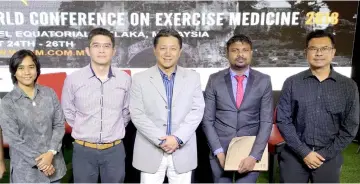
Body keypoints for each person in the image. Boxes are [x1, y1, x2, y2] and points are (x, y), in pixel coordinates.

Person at [276, 30, 359, 183]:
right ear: (306, 52)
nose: (319, 53)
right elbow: (283, 120)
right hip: (295, 152)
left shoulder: (348, 86)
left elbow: (350, 126)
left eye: (324, 48)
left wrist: (326, 154)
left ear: (333, 52)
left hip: (328, 155)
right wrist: (304, 152)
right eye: (313, 49)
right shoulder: (292, 82)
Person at [129, 28, 205, 184]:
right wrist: (161, 140)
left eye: (173, 48)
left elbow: (197, 110)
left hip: (182, 150)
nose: (168, 53)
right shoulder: (139, 79)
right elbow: (137, 114)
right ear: (155, 50)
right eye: (163, 48)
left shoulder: (193, 77)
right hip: (150, 150)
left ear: (180, 51)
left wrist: (177, 138)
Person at [61, 27, 131, 183]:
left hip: (114, 150)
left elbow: (126, 112)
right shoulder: (73, 79)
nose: (101, 50)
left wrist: (113, 129)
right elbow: (68, 112)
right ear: (88, 50)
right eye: (96, 45)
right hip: (83, 150)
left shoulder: (125, 79)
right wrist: (84, 128)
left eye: (106, 46)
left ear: (113, 51)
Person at [202, 34, 273, 183]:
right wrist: (218, 152)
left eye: (245, 50)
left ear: (251, 53)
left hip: (250, 151)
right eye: (235, 50)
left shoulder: (264, 80)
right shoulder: (214, 80)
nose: (240, 54)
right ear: (227, 53)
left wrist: (254, 156)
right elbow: (208, 120)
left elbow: (266, 122)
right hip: (220, 151)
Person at [0, 49, 66, 183]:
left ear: (37, 69)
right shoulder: (7, 103)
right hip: (26, 174)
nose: (27, 72)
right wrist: (43, 163)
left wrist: (51, 153)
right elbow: (15, 140)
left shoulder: (49, 93)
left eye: (31, 67)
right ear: (14, 71)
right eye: (21, 68)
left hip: (54, 168)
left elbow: (59, 125)